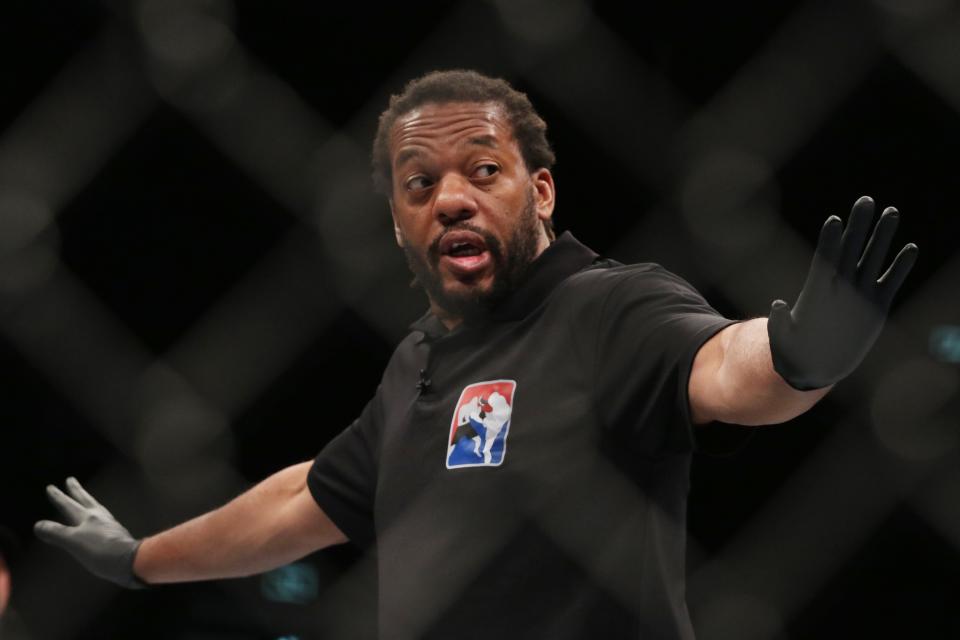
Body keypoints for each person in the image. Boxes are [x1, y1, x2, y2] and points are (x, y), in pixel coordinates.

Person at [34, 70, 918, 639]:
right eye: (421, 184)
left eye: (482, 171)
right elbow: (304, 497)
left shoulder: (610, 304)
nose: (451, 198)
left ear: (540, 191)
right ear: (396, 223)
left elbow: (724, 368)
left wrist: (803, 356)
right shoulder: (416, 363)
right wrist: (139, 558)